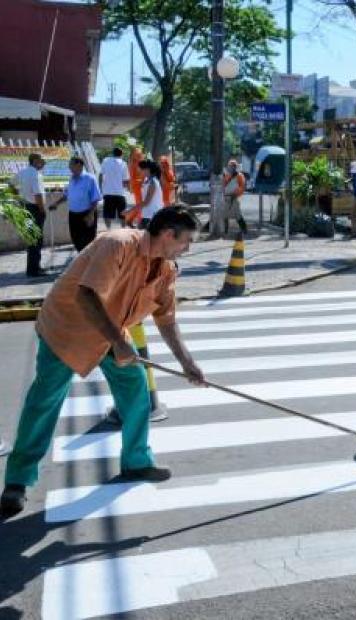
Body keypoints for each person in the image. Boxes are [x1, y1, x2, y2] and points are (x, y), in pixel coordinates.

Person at [0, 207, 205, 517]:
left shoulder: (165, 270)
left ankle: (136, 461)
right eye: (186, 241)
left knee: (136, 390)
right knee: (45, 401)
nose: (187, 248)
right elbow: (86, 296)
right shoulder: (118, 244)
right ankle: (17, 481)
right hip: (67, 328)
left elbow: (166, 320)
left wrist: (187, 363)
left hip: (110, 332)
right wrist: (120, 343)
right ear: (167, 234)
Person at [50, 156, 103, 252]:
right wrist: (56, 203)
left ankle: (89, 258)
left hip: (86, 214)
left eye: (71, 164)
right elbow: (66, 195)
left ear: (78, 165)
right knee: (75, 238)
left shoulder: (90, 178)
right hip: (73, 215)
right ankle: (82, 257)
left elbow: (95, 199)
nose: (69, 167)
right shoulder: (71, 179)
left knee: (89, 240)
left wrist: (91, 215)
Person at [10, 153, 47, 277]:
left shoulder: (23, 172)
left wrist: (18, 198)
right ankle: (34, 269)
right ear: (35, 160)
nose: (43, 162)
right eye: (41, 160)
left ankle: (34, 267)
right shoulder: (35, 174)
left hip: (25, 207)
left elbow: (10, 184)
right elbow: (38, 195)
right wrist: (42, 210)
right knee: (36, 239)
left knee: (32, 239)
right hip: (35, 209)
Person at [100, 147, 130, 229]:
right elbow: (126, 180)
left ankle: (108, 229)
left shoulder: (106, 161)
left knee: (107, 214)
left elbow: (101, 174)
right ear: (121, 155)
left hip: (108, 192)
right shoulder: (123, 164)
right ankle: (123, 230)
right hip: (120, 193)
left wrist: (101, 187)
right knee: (122, 214)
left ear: (113, 153)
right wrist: (126, 188)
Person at [222, 159, 248, 236]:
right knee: (224, 214)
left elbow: (242, 187)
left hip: (234, 197)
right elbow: (223, 185)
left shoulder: (239, 176)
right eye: (230, 166)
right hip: (226, 197)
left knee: (238, 214)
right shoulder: (226, 175)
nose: (231, 167)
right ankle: (225, 231)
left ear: (235, 167)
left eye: (233, 166)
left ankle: (244, 229)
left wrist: (236, 193)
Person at [136, 160, 163, 230]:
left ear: (147, 169)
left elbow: (146, 202)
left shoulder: (153, 182)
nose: (139, 171)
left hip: (152, 215)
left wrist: (130, 211)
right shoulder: (146, 180)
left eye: (141, 169)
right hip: (146, 215)